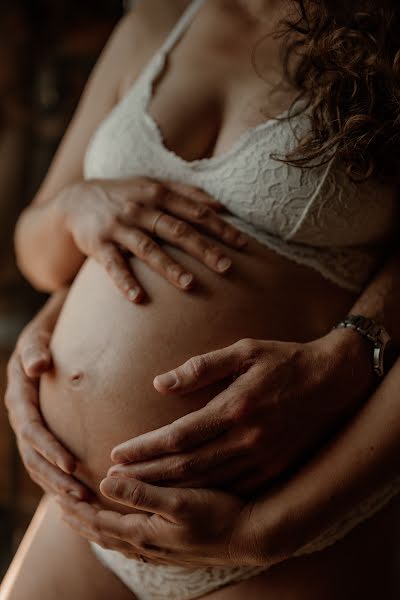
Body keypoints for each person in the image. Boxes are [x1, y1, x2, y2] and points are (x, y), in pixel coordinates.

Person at [2, 0, 400, 598]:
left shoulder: (384, 36)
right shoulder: (157, 20)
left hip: (294, 525)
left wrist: (265, 531)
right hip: (84, 519)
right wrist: (73, 207)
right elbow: (37, 252)